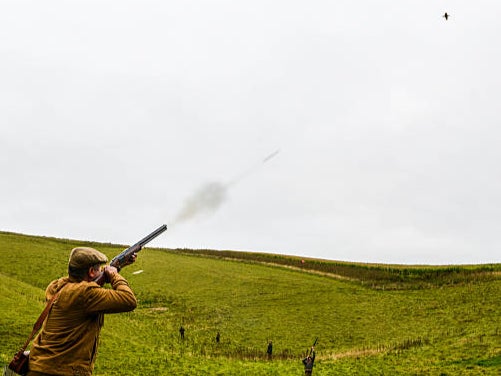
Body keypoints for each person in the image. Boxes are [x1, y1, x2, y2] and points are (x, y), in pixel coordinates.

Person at [27, 247, 137, 376]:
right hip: (62, 371)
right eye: (98, 268)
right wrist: (114, 274)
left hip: (39, 367)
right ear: (91, 271)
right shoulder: (85, 294)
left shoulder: (57, 286)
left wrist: (118, 265)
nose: (102, 270)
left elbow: (87, 283)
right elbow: (129, 300)